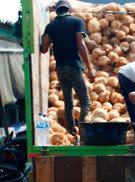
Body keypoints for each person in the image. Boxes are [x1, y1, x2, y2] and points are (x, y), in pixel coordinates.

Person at [40, 0, 96, 135]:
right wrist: (89, 68)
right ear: (69, 10)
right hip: (74, 67)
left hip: (60, 69)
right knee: (85, 102)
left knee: (68, 103)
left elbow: (43, 49)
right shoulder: (77, 22)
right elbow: (81, 45)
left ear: (56, 11)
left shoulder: (50, 26)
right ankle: (84, 134)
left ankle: (71, 133)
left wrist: (43, 37)